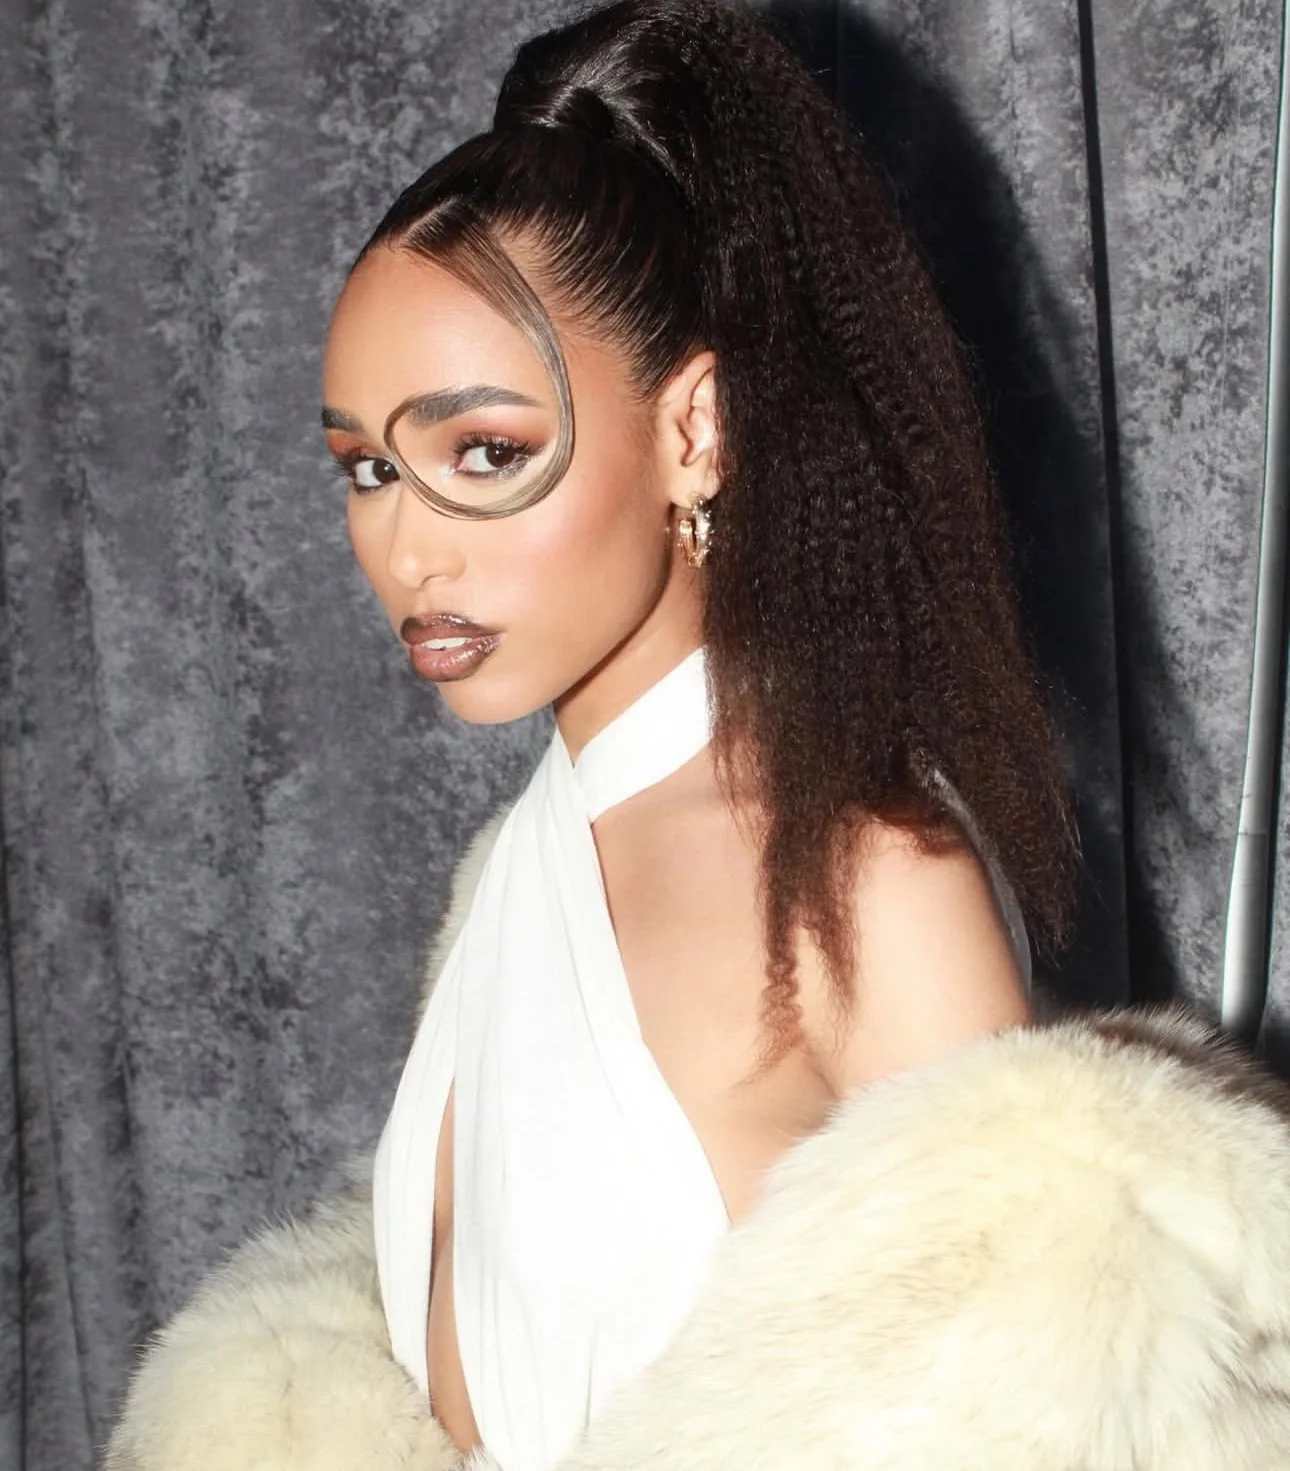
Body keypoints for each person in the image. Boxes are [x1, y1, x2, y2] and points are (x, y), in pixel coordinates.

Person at [106, 5, 1290, 1469]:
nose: (402, 550)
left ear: (695, 430)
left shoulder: (870, 882)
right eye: (365, 466)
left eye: (482, 451)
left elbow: (1043, 1413)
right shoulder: (512, 874)